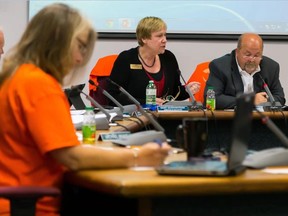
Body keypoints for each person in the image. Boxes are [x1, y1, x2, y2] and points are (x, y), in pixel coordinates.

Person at [0, 4, 171, 216]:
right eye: (79, 46)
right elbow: (72, 157)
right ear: (57, 43)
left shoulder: (18, 76)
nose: (80, 59)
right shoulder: (39, 85)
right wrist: (138, 156)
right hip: (35, 204)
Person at [107, 16, 200, 106]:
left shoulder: (168, 57)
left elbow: (175, 93)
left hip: (165, 116)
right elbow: (113, 96)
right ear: (144, 38)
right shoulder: (127, 59)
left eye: (165, 35)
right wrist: (145, 102)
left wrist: (187, 91)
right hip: (137, 117)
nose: (165, 40)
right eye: (159, 36)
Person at [204, 32, 286, 110]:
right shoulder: (220, 66)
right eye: (247, 54)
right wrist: (250, 101)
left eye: (257, 55)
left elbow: (280, 98)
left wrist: (264, 100)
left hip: (261, 120)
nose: (252, 59)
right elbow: (212, 99)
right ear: (237, 52)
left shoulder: (271, 67)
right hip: (229, 121)